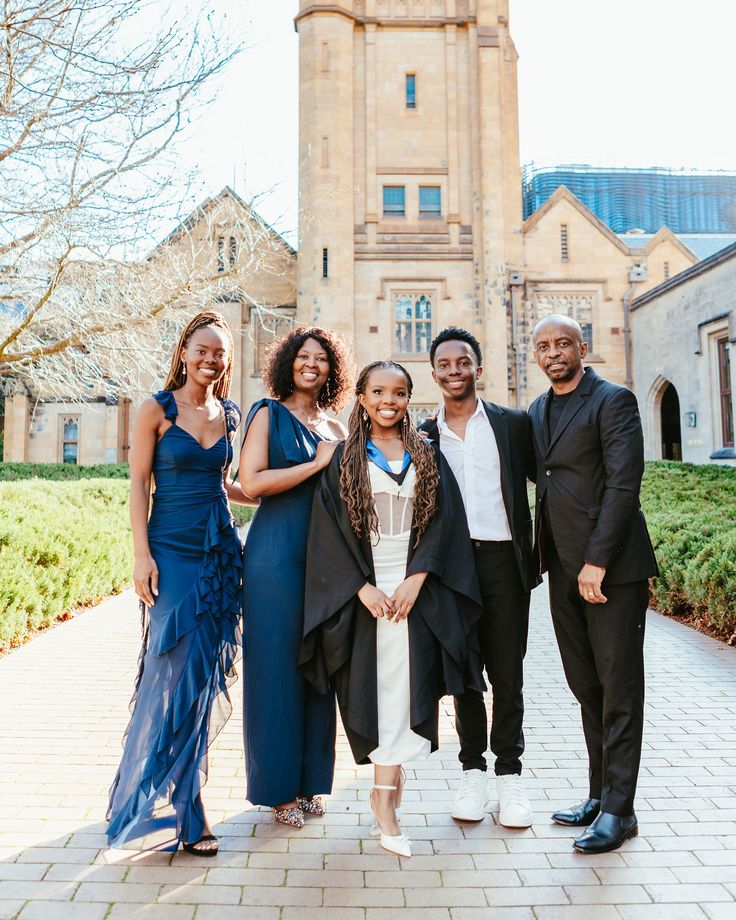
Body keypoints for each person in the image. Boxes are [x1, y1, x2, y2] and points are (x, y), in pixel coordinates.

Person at [300, 360, 485, 859]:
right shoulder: (344, 458)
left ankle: (388, 793)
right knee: (379, 690)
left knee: (405, 688)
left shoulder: (425, 454)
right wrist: (361, 589)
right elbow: (328, 534)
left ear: (408, 398)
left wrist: (418, 578)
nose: (389, 400)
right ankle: (384, 804)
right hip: (364, 588)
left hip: (412, 586)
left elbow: (445, 522)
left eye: (399, 392)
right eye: (378, 391)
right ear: (361, 397)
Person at [107, 310, 250, 856]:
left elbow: (223, 482)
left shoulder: (228, 413)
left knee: (201, 675)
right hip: (171, 551)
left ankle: (185, 794)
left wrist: (265, 493)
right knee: (171, 671)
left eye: (220, 353)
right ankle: (178, 800)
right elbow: (139, 484)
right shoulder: (156, 409)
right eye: (203, 349)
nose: (211, 359)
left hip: (219, 550)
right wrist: (141, 555)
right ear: (184, 351)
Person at [528, 314, 658, 854]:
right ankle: (598, 795)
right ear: (534, 354)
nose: (554, 352)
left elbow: (625, 482)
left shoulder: (614, 400)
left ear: (584, 345)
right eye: (543, 346)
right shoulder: (538, 409)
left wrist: (597, 560)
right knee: (586, 686)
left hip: (611, 572)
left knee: (619, 688)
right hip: (562, 568)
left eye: (563, 343)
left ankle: (619, 811)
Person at [420, 327, 539, 828]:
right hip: (451, 570)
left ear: (478, 368)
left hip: (502, 563)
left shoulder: (512, 426)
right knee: (465, 677)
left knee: (507, 674)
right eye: (444, 364)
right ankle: (473, 772)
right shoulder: (422, 436)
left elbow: (552, 481)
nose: (453, 371)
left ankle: (510, 776)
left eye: (462, 362)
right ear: (434, 374)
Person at [239, 326, 352, 828]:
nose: (312, 364)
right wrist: (315, 465)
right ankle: (277, 790)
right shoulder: (266, 412)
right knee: (277, 669)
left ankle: (311, 783)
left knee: (319, 668)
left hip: (325, 561)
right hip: (275, 555)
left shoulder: (337, 425)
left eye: (322, 359)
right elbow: (251, 481)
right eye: (303, 356)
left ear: (332, 369)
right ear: (288, 362)